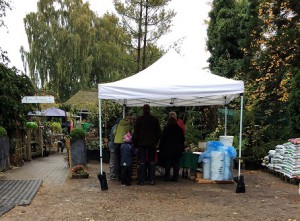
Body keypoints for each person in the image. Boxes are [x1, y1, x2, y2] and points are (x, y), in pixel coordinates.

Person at [134, 104, 161, 185]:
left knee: (142, 162)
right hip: (152, 143)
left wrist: (136, 144)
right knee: (152, 161)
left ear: (143, 110)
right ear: (149, 110)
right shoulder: (154, 119)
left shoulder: (139, 120)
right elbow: (158, 133)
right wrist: (155, 142)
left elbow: (136, 134)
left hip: (141, 143)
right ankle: (152, 179)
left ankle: (141, 180)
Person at [159, 116, 185, 182]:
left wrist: (160, 148)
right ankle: (175, 177)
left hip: (167, 149)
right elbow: (182, 139)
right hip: (177, 149)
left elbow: (162, 140)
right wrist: (182, 148)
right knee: (176, 164)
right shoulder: (179, 129)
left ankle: (167, 177)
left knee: (167, 163)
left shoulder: (166, 129)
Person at [113, 114, 133, 180]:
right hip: (123, 143)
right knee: (123, 159)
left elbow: (114, 133)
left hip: (116, 143)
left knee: (116, 159)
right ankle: (123, 175)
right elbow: (130, 134)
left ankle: (117, 175)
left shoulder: (118, 124)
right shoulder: (128, 125)